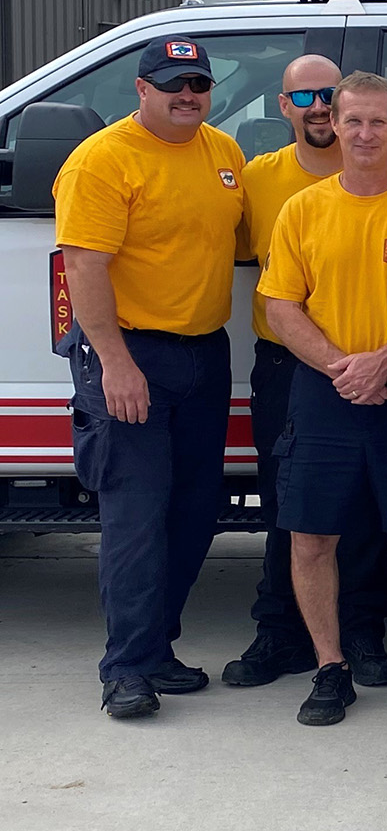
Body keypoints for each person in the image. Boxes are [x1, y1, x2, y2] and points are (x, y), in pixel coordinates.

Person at [53, 35, 246, 718]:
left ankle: (157, 648)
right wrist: (116, 364)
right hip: (132, 355)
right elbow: (84, 267)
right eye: (172, 85)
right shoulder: (103, 160)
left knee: (192, 513)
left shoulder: (222, 153)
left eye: (197, 85)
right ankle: (126, 669)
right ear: (141, 88)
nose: (187, 96)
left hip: (204, 353)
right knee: (136, 515)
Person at [259, 72, 387, 725]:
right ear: (333, 126)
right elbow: (280, 304)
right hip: (325, 392)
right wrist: (344, 368)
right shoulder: (303, 209)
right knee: (310, 537)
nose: (364, 134)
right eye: (352, 121)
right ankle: (329, 666)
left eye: (377, 121)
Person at [225, 56, 387, 690]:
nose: (321, 108)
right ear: (283, 105)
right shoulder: (256, 179)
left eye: (333, 96)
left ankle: (362, 631)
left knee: (371, 510)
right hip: (289, 367)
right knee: (289, 506)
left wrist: (377, 364)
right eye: (308, 97)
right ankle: (281, 633)